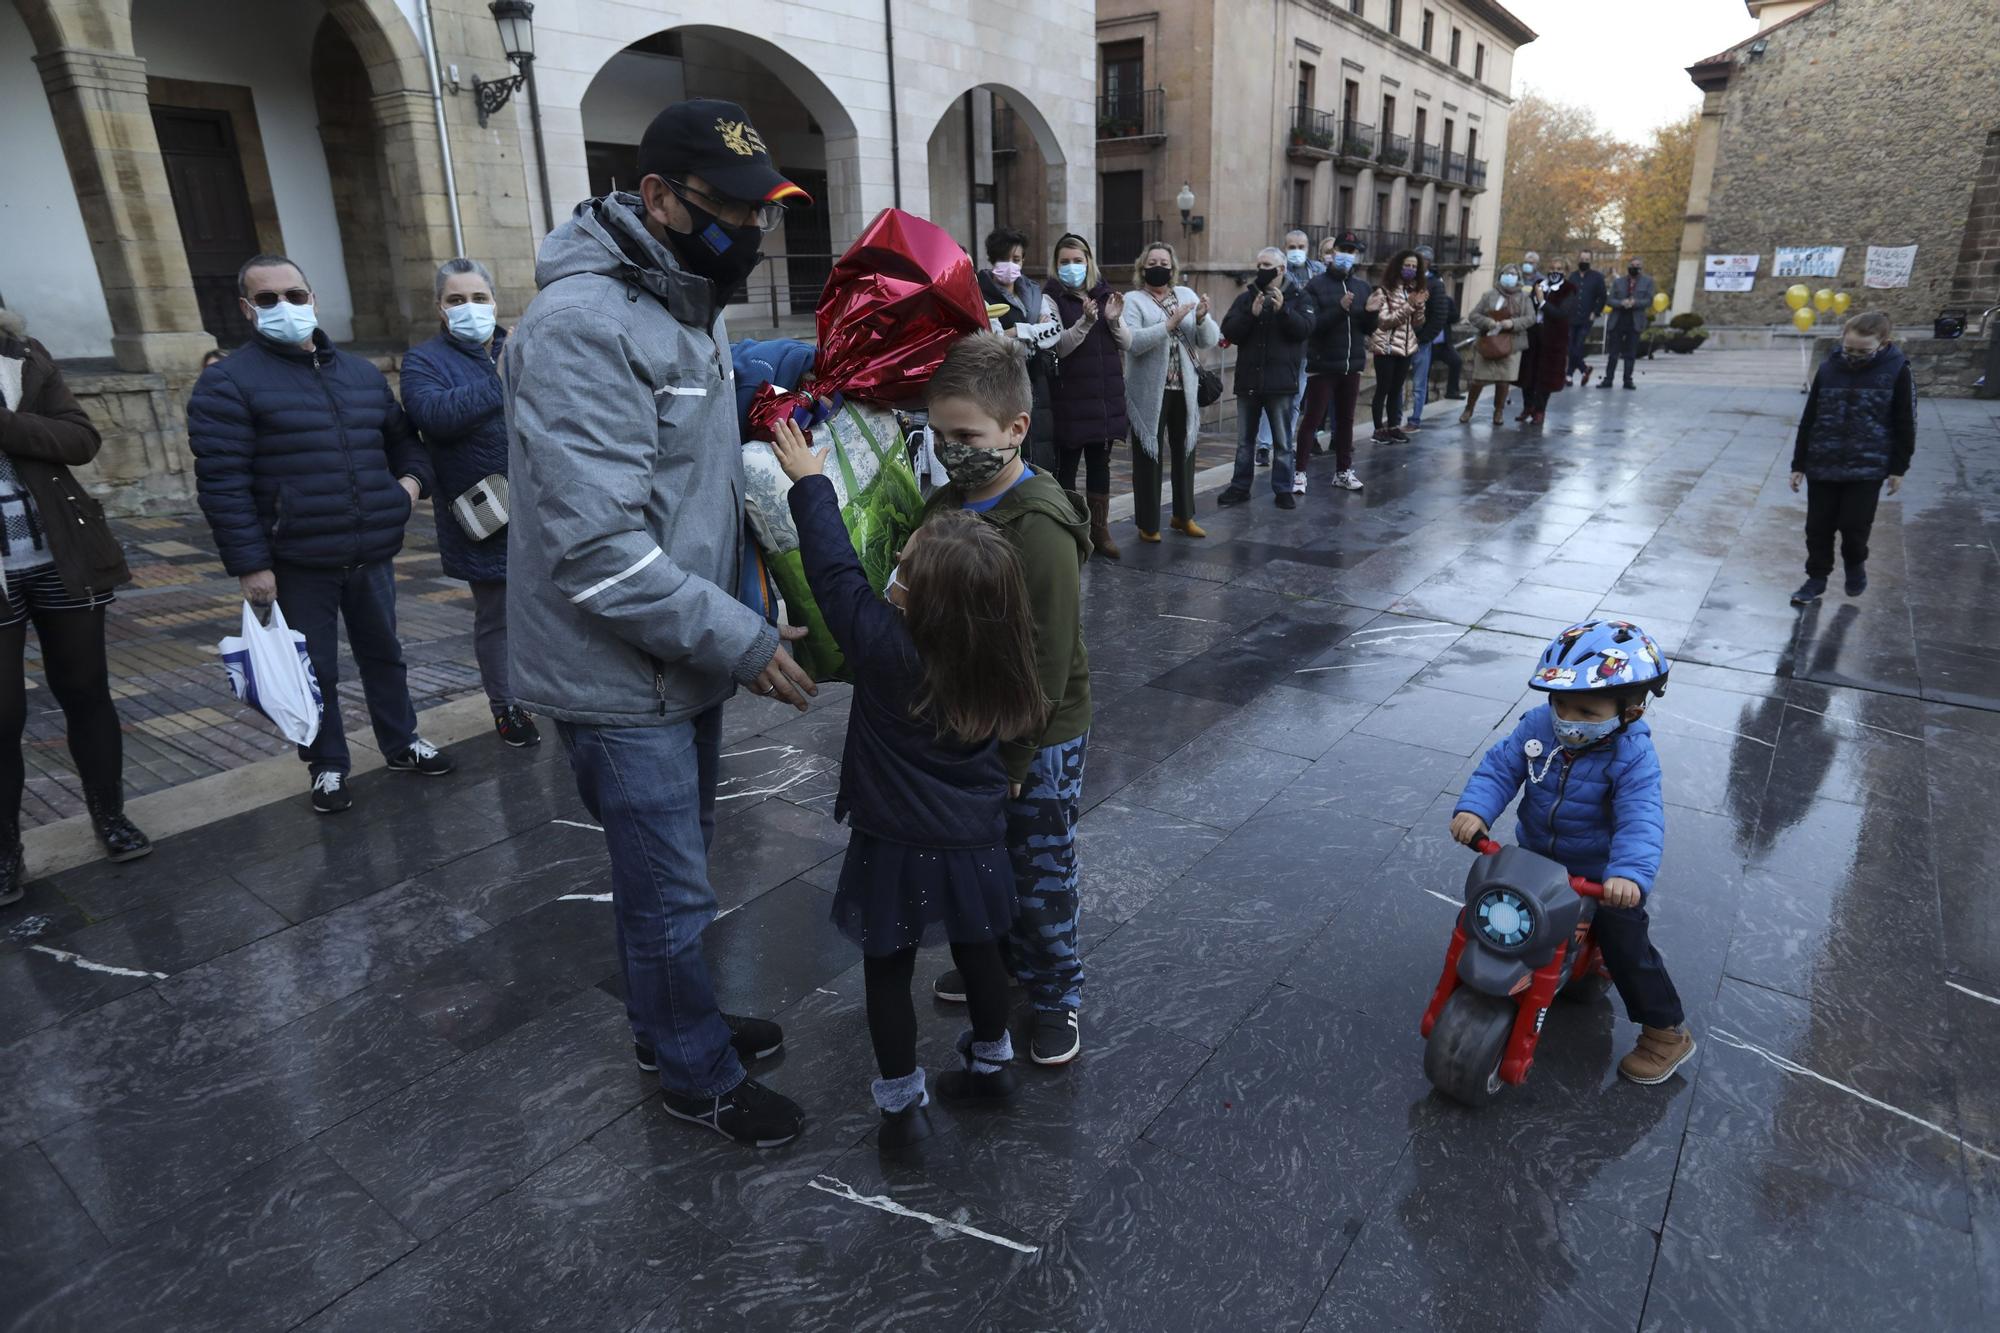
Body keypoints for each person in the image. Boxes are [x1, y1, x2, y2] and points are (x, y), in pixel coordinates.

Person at [502, 99, 814, 1147]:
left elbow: (703, 411)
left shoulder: (686, 298)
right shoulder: (580, 325)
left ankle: (668, 1017)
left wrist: (831, 358)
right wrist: (746, 639)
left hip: (677, 651)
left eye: (761, 209)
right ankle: (694, 1072)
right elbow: (596, 551)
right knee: (669, 884)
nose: (750, 231)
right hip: (616, 668)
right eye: (729, 209)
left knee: (673, 868)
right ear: (657, 200)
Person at [771, 422, 1039, 1148]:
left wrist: (810, 481)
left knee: (886, 969)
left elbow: (832, 572)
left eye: (906, 564)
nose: (894, 565)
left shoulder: (888, 648)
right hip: (976, 834)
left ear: (924, 601)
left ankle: (902, 1110)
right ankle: (993, 1064)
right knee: (982, 948)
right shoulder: (998, 650)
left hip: (892, 841)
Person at [188, 255, 449, 814]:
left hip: (370, 550)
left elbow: (405, 443)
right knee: (315, 670)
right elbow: (222, 483)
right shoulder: (227, 383)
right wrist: (251, 566)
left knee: (385, 655)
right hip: (296, 560)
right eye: (267, 299)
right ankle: (327, 765)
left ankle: (403, 743)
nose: (285, 306)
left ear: (314, 298)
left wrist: (406, 488)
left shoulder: (359, 374)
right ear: (246, 309)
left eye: (295, 294)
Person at [919, 333, 1094, 1067]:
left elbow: (1048, 660)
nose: (951, 451)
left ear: (1016, 428)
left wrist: (1020, 752)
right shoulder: (948, 502)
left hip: (1039, 732)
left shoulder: (1040, 525)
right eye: (939, 436)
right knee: (989, 856)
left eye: (967, 437)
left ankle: (1055, 992)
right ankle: (1002, 962)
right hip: (973, 718)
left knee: (1040, 864)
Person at [1451, 619, 1695, 1087]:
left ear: (1631, 711)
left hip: (1599, 875)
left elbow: (1641, 818)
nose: (1568, 719)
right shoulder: (1539, 727)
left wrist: (1626, 875)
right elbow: (1500, 768)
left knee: (1627, 945)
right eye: (1561, 703)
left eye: (1586, 709)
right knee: (1489, 909)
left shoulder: (1632, 755)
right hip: (1538, 857)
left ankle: (1666, 1031)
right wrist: (1476, 811)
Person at [0, 305, 150, 902]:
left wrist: (5, 424)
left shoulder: (24, 357)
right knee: (3, 717)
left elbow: (81, 440)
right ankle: (6, 851)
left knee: (87, 692)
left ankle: (109, 816)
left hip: (59, 553)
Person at [400, 258, 536, 749]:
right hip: (486, 511)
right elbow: (435, 415)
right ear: (440, 308)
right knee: (497, 616)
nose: (470, 308)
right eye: (456, 300)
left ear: (495, 301)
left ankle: (559, 692)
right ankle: (507, 707)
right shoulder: (424, 361)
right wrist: (503, 374)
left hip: (543, 504)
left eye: (479, 298)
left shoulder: (519, 344)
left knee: (557, 607)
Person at [1787, 311, 1914, 605]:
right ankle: (1816, 578)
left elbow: (1905, 421)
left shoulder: (1897, 370)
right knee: (1818, 527)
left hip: (1867, 465)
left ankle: (1855, 564)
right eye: (1849, 348)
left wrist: (1899, 467)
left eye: (1863, 350)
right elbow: (1810, 417)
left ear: (1883, 343)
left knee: (1854, 525)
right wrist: (1799, 464)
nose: (1854, 355)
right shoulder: (1829, 367)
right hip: (1823, 460)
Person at [1120, 241, 1219, 540]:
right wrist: (1168, 324)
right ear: (1142, 268)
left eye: (1163, 262)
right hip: (1149, 391)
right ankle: (1148, 525)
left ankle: (1183, 516)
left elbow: (1209, 339)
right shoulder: (1133, 300)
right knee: (1148, 457)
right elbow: (1133, 343)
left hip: (1183, 389)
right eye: (1152, 263)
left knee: (1186, 451)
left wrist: (1201, 318)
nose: (1158, 267)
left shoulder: (1186, 295)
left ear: (1172, 268)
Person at [1042, 232, 1128, 559]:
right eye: (1065, 262)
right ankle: (1067, 531)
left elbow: (1127, 343)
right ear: (1056, 264)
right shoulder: (1050, 299)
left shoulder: (1106, 296)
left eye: (1078, 261)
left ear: (1089, 262)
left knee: (1100, 464)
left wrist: (1113, 321)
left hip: (1103, 399)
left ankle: (1100, 530)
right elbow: (1059, 346)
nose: (1072, 267)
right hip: (1070, 398)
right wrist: (1085, 322)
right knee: (1067, 468)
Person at [1218, 248, 1315, 509]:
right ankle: (1240, 487)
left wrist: (1284, 311)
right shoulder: (1246, 297)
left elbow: (1305, 330)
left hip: (1281, 383)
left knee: (1283, 442)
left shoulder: (1298, 296)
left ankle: (1283, 488)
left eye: (1268, 265)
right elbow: (1229, 331)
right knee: (1244, 442)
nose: (1262, 269)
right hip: (1249, 381)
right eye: (1259, 264)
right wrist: (1251, 313)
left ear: (1281, 269)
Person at [976, 226, 1059, 473]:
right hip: (1004, 381)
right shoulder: (981, 292)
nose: (1010, 265)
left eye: (1016, 259)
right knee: (1010, 445)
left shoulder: (1032, 291)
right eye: (1004, 259)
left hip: (1037, 380)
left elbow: (1053, 332)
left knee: (1040, 448)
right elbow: (996, 340)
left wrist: (1018, 332)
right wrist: (1032, 329)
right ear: (993, 260)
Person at [1299, 230, 1375, 492]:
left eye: (1352, 252)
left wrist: (1372, 314)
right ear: (1333, 254)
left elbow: (1366, 328)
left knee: (1345, 421)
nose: (1347, 255)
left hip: (1351, 365)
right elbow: (1313, 326)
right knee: (1312, 418)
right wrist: (1340, 308)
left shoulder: (1363, 287)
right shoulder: (1316, 286)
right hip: (1323, 364)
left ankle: (1343, 471)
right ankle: (1299, 473)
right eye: (1343, 250)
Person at [1256, 229, 1324, 466]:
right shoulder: (1276, 274)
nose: (1297, 251)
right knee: (1271, 396)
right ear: (1284, 249)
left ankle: (1284, 444)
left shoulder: (1318, 272)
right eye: (1292, 247)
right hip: (1281, 345)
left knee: (1296, 400)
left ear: (1308, 248)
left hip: (1307, 347)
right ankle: (1264, 446)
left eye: (1301, 246)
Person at [1365, 249, 1428, 445]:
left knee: (1396, 389)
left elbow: (1418, 324)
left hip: (1406, 347)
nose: (1410, 269)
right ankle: (1378, 429)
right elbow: (1384, 322)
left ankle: (1393, 426)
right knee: (1383, 388)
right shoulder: (1383, 291)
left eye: (1414, 267)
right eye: (1407, 265)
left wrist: (1419, 307)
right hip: (1386, 346)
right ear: (1398, 266)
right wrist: (1409, 306)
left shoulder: (1412, 291)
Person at [1460, 263, 1536, 425]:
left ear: (1518, 278)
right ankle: (1469, 408)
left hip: (1512, 344)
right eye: (1506, 273)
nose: (1509, 276)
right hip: (1488, 342)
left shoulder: (1524, 298)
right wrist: (1489, 322)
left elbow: (1531, 318)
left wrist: (1513, 323)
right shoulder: (1489, 295)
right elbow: (1474, 315)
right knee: (1478, 379)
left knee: (1503, 380)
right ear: (1500, 275)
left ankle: (1499, 411)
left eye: (1513, 274)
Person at [1515, 258, 1578, 427]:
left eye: (1559, 269)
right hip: (1533, 335)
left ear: (1565, 271)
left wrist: (1542, 302)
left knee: (1545, 377)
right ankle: (1527, 406)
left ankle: (1539, 410)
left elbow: (1560, 314)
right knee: (1527, 374)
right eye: (1552, 268)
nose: (1555, 271)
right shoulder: (1539, 284)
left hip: (1553, 339)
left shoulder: (1569, 290)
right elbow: (1528, 307)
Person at [1405, 245, 1451, 432]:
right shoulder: (1407, 282)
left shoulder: (1435, 284)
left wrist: (1424, 338)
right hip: (1403, 338)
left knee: (1418, 384)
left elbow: (1440, 315)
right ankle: (1395, 418)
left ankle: (1414, 420)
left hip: (1421, 341)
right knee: (1399, 383)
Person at [1601, 257, 1656, 390]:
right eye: (1632, 265)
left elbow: (1649, 300)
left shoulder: (1648, 282)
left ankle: (1627, 380)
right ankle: (1608, 379)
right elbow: (1609, 300)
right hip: (1618, 320)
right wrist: (1621, 303)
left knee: (1630, 354)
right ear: (1628, 266)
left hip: (1635, 321)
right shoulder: (1618, 282)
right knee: (1613, 353)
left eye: (1637, 265)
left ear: (1641, 268)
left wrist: (1634, 303)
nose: (1634, 267)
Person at [1568, 249, 1608, 385]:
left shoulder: (1597, 277)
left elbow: (1603, 297)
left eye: (1587, 260)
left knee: (1578, 346)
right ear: (1578, 259)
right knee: (1570, 347)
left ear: (1590, 261)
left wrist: (1595, 312)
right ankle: (1584, 369)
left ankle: (1568, 375)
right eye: (1582, 259)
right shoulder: (1572, 276)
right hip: (1571, 317)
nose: (1584, 262)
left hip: (1586, 318)